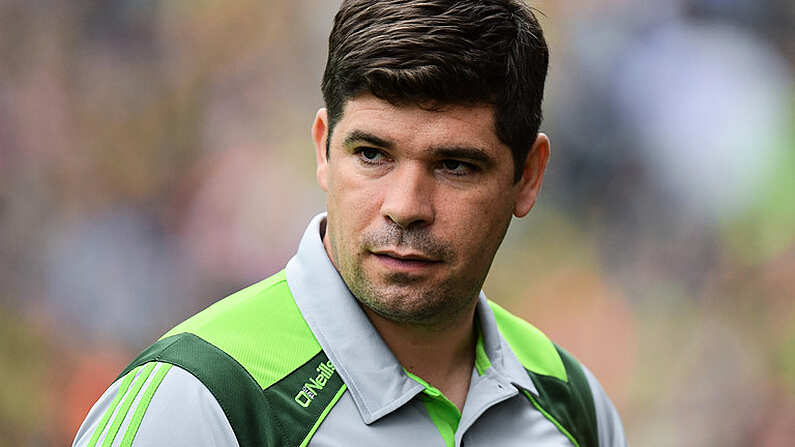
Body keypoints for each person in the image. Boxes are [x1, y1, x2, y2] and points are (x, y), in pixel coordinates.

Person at [73, 1, 628, 446]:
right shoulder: (200, 400)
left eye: (455, 165)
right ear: (323, 148)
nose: (405, 205)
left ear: (528, 176)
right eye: (371, 154)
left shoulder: (571, 402)